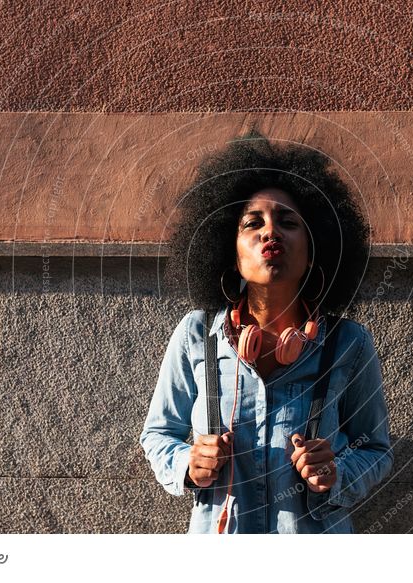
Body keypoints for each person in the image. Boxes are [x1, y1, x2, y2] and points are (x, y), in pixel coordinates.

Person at [139, 130, 393, 533]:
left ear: (313, 251)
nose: (270, 232)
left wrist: (336, 472)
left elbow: (376, 449)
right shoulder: (196, 334)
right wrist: (188, 465)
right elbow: (158, 434)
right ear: (231, 251)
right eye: (252, 223)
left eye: (288, 222)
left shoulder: (349, 343)